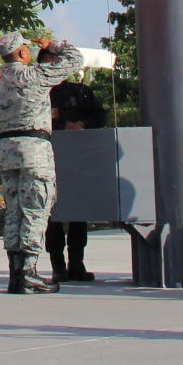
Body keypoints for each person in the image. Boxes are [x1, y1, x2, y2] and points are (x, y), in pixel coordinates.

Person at [0, 32, 82, 293]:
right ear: (23, 53)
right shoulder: (35, 75)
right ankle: (28, 272)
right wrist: (52, 45)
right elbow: (75, 59)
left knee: (14, 211)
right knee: (36, 209)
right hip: (35, 149)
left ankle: (15, 272)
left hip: (7, 150)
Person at [40, 45, 106, 282]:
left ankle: (76, 263)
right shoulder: (38, 91)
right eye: (50, 61)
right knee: (53, 216)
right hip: (49, 161)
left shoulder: (80, 92)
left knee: (79, 213)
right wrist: (60, 127)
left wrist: (81, 124)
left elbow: (100, 116)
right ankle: (58, 266)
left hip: (78, 161)